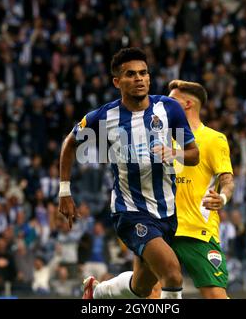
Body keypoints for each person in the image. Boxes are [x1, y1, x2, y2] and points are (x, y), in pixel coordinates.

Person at [57, 47, 199, 299]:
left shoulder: (169, 109)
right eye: (131, 74)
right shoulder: (104, 116)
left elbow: (194, 154)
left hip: (166, 211)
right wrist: (64, 191)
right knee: (173, 274)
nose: (139, 79)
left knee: (142, 287)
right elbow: (70, 143)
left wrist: (173, 153)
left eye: (143, 73)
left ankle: (98, 291)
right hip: (130, 211)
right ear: (117, 81)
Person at [167, 80, 234, 299]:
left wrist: (222, 198)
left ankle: (102, 291)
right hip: (161, 226)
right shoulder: (159, 137)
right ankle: (103, 292)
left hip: (197, 230)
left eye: (171, 100)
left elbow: (227, 179)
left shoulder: (214, 139)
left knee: (215, 295)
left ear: (187, 104)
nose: (165, 104)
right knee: (147, 290)